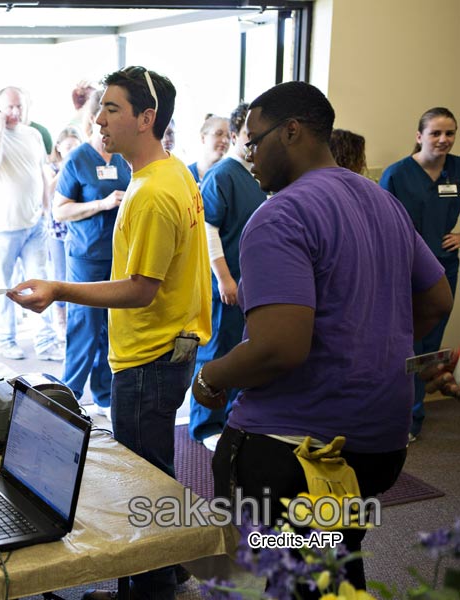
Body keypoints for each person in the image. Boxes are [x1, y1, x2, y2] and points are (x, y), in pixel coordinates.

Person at [192, 82, 452, 595]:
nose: (249, 157)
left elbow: (278, 348)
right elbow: (437, 299)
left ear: (291, 132)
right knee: (333, 558)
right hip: (379, 440)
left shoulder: (279, 215)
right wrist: (372, 348)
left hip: (296, 450)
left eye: (253, 142)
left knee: (284, 566)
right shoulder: (382, 201)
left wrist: (209, 376)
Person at [10, 66, 211, 600]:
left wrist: (60, 289)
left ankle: (148, 590)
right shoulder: (174, 172)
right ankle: (169, 571)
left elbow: (140, 289)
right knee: (156, 473)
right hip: (169, 347)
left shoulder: (149, 193)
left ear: (148, 118)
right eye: (100, 107)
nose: (98, 118)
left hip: (150, 353)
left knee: (141, 480)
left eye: (112, 109)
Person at [187, 103, 266, 451]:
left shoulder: (254, 176)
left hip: (249, 279)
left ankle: (232, 418)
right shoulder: (223, 175)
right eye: (249, 136)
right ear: (235, 137)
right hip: (227, 281)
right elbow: (208, 229)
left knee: (240, 350)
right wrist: (224, 278)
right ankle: (205, 425)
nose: (254, 144)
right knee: (216, 350)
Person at [380, 107, 459, 441]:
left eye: (450, 133)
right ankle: (398, 418)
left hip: (445, 265)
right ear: (419, 137)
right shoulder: (397, 174)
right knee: (405, 344)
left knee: (431, 345)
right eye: (435, 133)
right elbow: (380, 222)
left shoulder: (456, 169)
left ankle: (415, 416)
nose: (443, 140)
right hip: (405, 269)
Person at [52, 117, 131, 418]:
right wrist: (101, 203)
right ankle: (66, 398)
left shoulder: (123, 158)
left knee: (110, 330)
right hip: (86, 255)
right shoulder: (78, 159)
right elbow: (59, 210)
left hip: (119, 256)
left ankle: (104, 396)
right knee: (84, 326)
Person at [0, 86, 63, 361]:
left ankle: (46, 341)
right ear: (0, 109)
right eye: (9, 107)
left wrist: (45, 208)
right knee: (5, 286)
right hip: (2, 226)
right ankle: (6, 340)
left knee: (40, 281)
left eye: (19, 107)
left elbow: (40, 171)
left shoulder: (34, 135)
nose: (15, 112)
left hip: (34, 224)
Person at [45, 127, 83, 337]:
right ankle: (59, 321)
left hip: (75, 230)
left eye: (75, 147)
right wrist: (65, 169)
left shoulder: (81, 165)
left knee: (74, 278)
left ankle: (73, 320)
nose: (71, 151)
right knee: (59, 275)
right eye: (67, 147)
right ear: (59, 147)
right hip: (56, 232)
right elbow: (48, 191)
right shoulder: (52, 167)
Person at [186, 114, 230, 184]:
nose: (225, 140)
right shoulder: (186, 174)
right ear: (203, 138)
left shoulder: (232, 175)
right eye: (218, 134)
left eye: (228, 136)